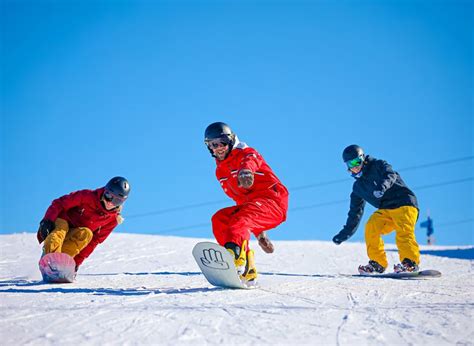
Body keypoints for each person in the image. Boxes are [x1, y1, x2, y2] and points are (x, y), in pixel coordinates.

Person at [204, 122, 289, 283]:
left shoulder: (245, 152)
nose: (217, 148)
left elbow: (250, 160)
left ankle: (234, 257)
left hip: (272, 201)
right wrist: (260, 234)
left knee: (239, 220)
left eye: (221, 143)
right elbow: (241, 201)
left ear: (229, 141)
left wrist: (246, 171)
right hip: (253, 207)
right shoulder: (220, 171)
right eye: (212, 145)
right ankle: (248, 268)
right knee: (220, 218)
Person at [332, 145, 421, 274]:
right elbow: (355, 214)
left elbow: (390, 175)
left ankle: (410, 262)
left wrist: (382, 187)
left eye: (357, 162)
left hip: (404, 203)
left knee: (404, 231)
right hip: (386, 210)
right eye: (350, 164)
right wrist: (344, 234)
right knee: (371, 226)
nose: (354, 166)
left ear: (363, 159)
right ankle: (378, 263)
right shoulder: (358, 187)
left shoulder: (378, 165)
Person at [37, 177, 130, 272]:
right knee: (60, 231)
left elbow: (94, 241)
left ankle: (59, 264)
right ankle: (51, 259)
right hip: (63, 220)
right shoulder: (87, 196)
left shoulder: (112, 220)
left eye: (117, 201)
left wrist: (76, 263)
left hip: (75, 234)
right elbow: (60, 203)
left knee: (87, 234)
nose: (110, 202)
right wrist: (48, 219)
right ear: (104, 191)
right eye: (108, 196)